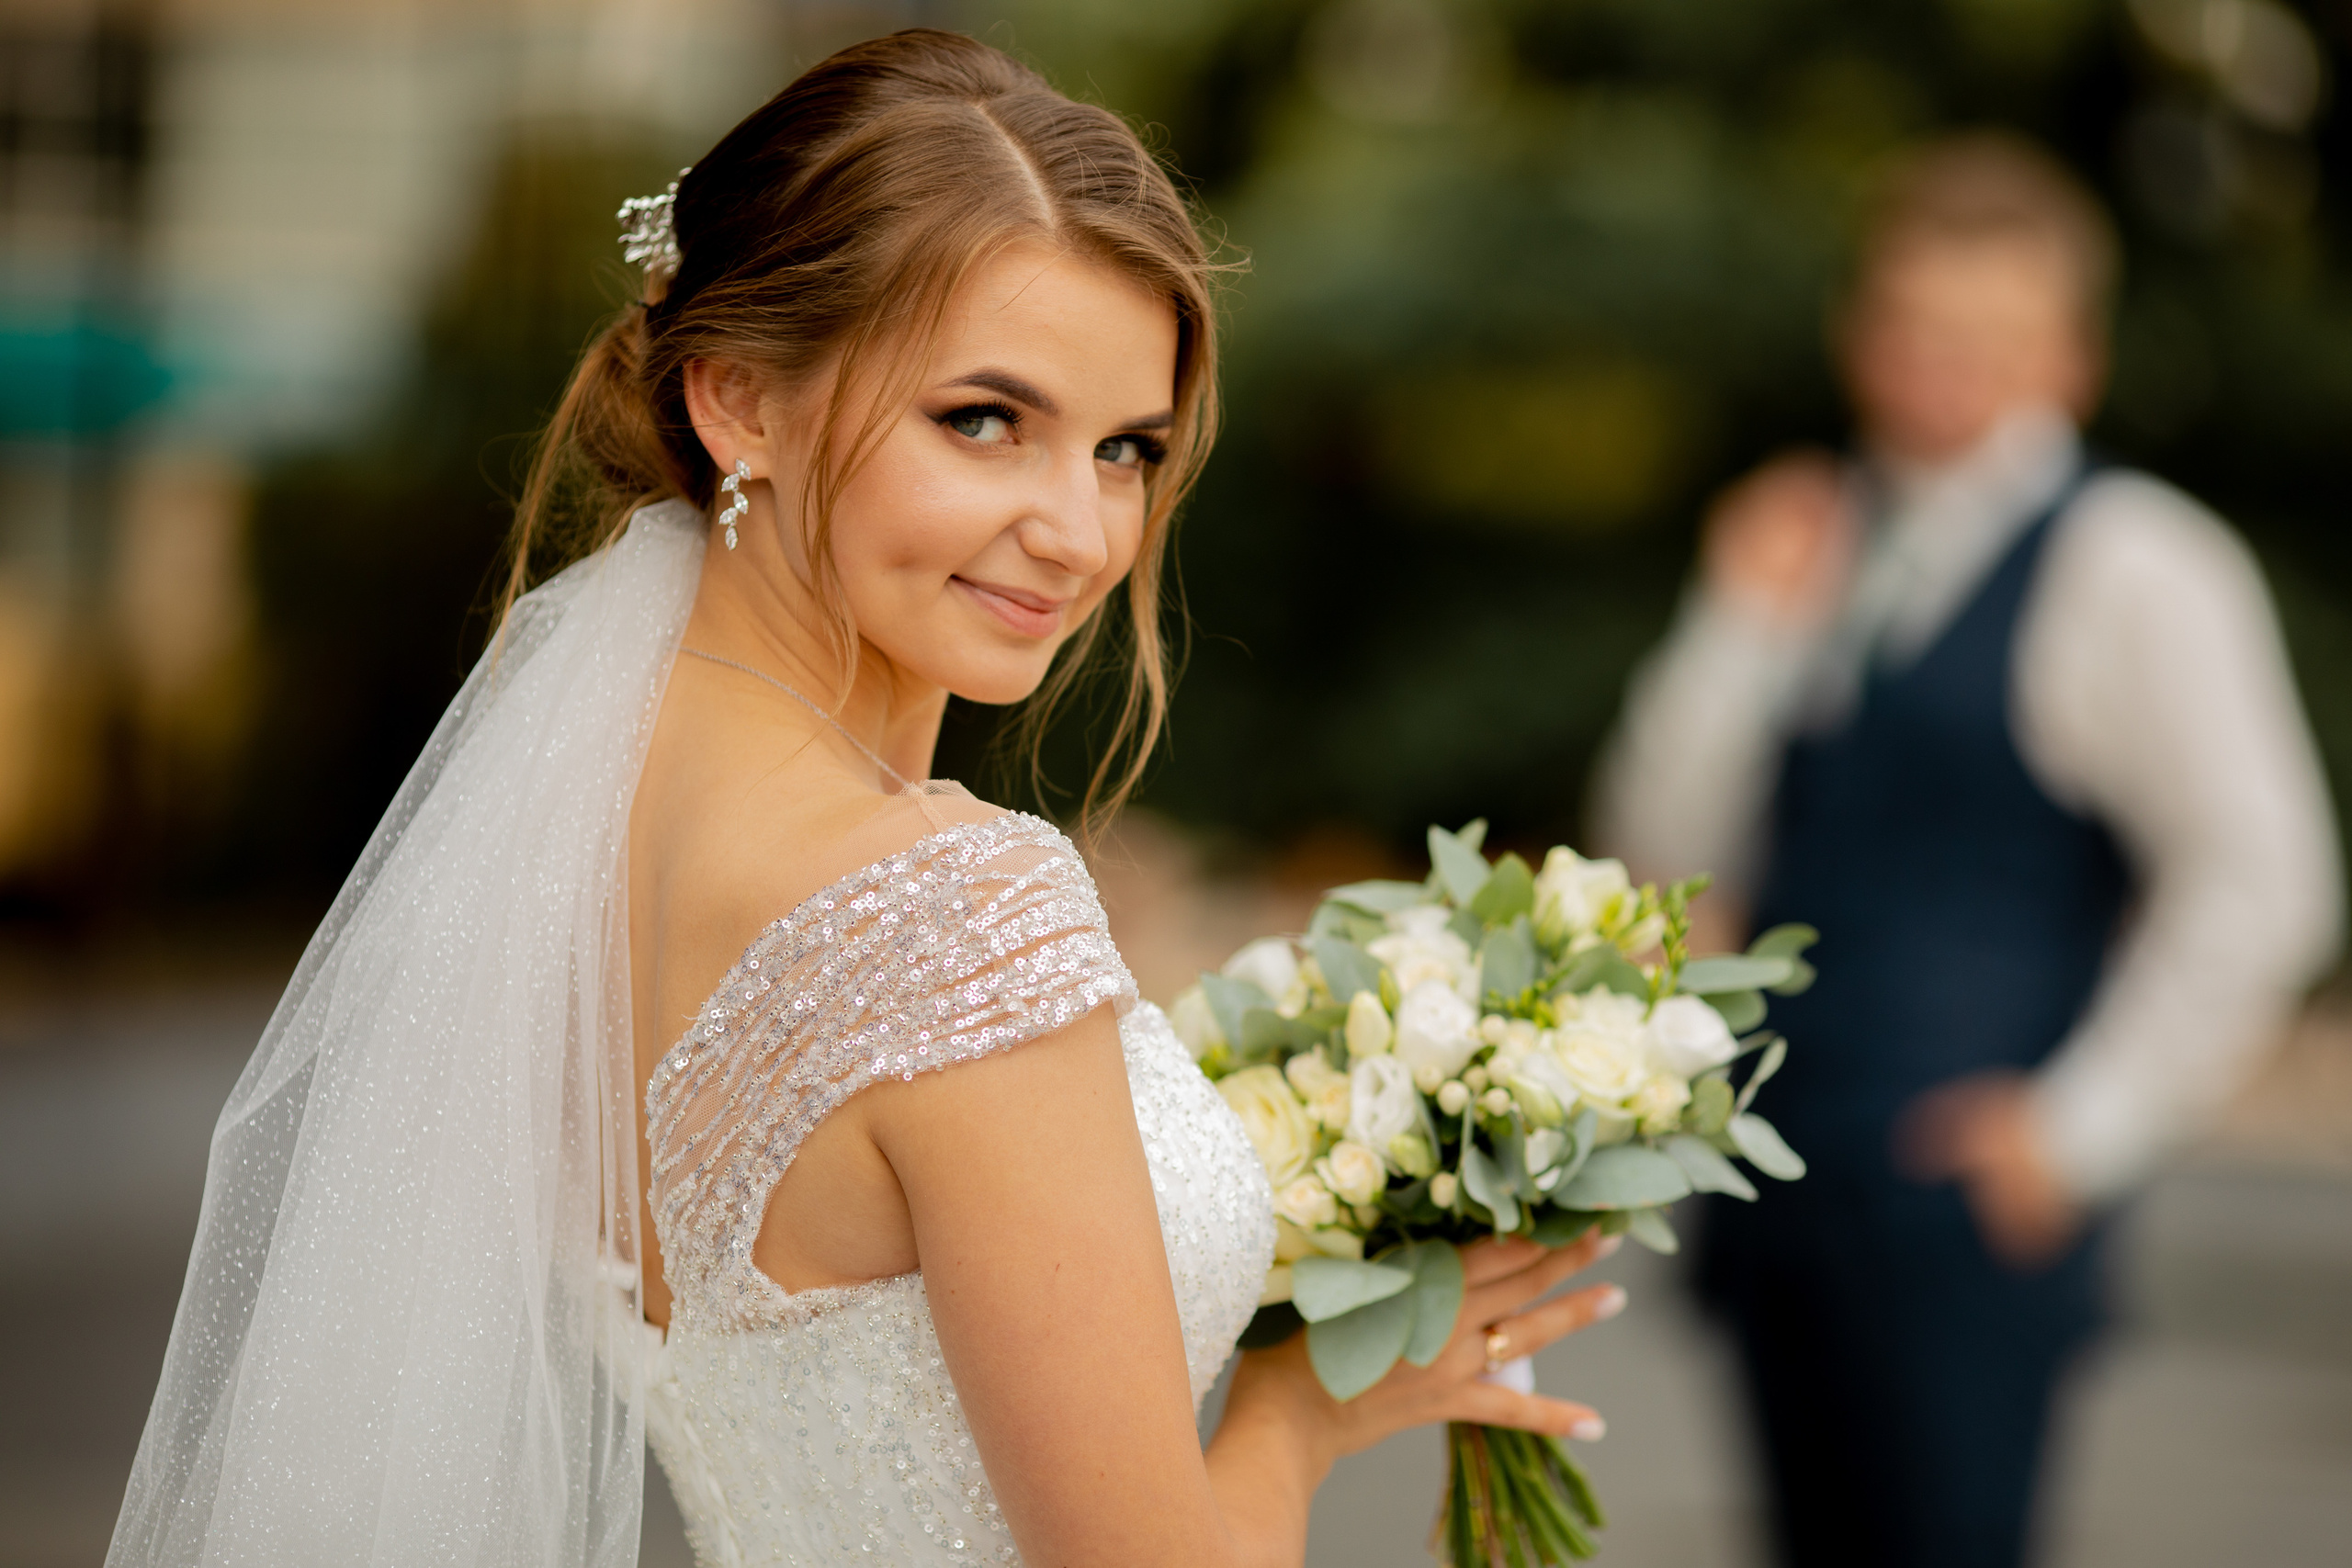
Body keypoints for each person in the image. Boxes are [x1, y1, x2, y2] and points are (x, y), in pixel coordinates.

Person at [108, 32, 1625, 1568]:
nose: (1078, 532)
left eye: (1126, 450)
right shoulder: (952, 914)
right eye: (983, 420)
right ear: (740, 402)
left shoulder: (573, 825)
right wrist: (1295, 1423)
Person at [1595, 132, 2341, 1568]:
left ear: (2071, 356)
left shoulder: (2140, 566)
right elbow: (1667, 845)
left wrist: (2081, 1132)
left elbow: (2266, 881)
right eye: (1915, 329)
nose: (1941, 370)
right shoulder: (1809, 541)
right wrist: (1739, 625)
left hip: (1967, 1226)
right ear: (1860, 332)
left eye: (1987, 340)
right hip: (1781, 1202)